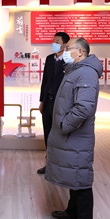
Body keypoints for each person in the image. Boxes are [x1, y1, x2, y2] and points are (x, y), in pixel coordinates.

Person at [45, 37, 103, 219]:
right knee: (73, 175)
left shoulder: (86, 73)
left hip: (75, 136)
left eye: (68, 48)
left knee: (81, 180)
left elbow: (83, 108)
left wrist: (64, 125)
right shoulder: (75, 70)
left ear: (80, 52)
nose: (64, 50)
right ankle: (72, 211)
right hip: (70, 136)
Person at [36, 31, 69, 174]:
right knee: (48, 132)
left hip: (61, 102)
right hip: (48, 102)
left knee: (60, 133)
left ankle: (60, 165)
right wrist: (42, 101)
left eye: (57, 41)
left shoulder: (69, 60)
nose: (54, 43)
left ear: (65, 44)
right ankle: (49, 163)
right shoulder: (50, 59)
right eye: (53, 41)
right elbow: (45, 81)